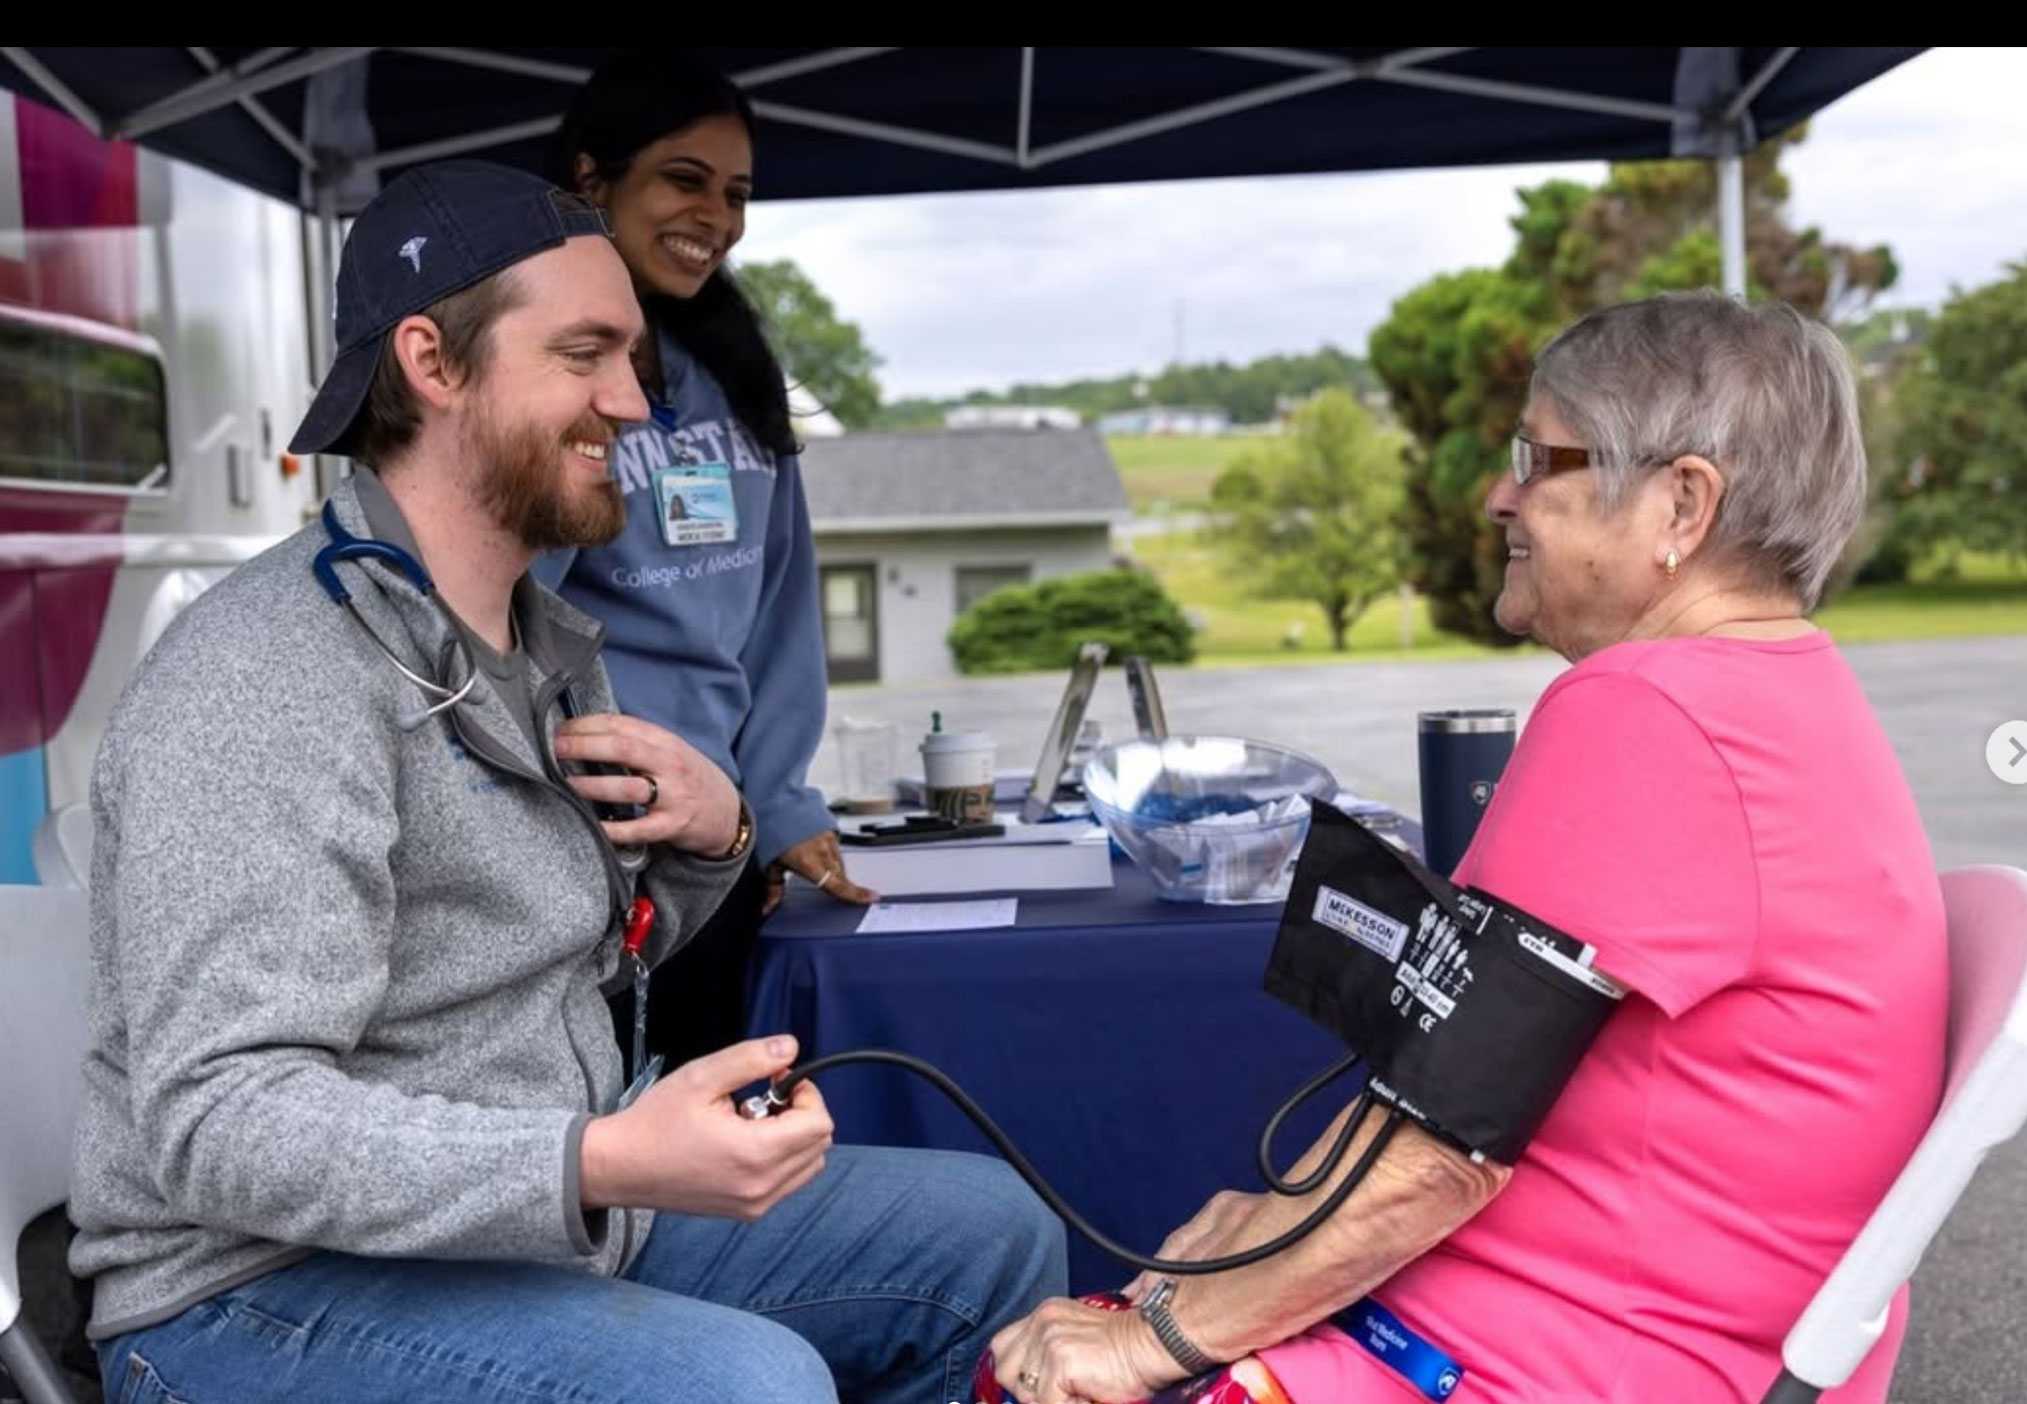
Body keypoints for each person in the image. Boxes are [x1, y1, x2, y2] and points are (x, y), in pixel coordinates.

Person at [69, 160, 1063, 1404]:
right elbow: (222, 1123)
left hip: (522, 1220)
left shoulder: (541, 648)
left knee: (990, 1236)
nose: (634, 403)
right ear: (433, 363)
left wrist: (714, 841)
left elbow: (567, 960)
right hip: (258, 1290)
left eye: (634, 359)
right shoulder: (269, 673)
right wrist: (593, 1157)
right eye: (586, 353)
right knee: (744, 1387)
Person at [985, 291, 1946, 1404]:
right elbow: (1443, 1091)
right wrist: (1248, 1244)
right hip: (1645, 1332)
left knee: (1036, 1374)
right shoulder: (1783, 689)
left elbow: (1443, 1146)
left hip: (1571, 1361)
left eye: (1536, 457)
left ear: (1680, 504)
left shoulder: (1647, 708)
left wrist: (1162, 1340)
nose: (1501, 495)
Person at [536, 50, 875, 1071]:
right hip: (577, 847)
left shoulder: (730, 371)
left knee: (709, 1134)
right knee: (594, 1152)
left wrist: (775, 806)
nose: (716, 217)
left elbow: (778, 612)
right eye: (684, 180)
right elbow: (497, 617)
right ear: (592, 179)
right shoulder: (539, 374)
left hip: (711, 846)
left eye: (736, 194)